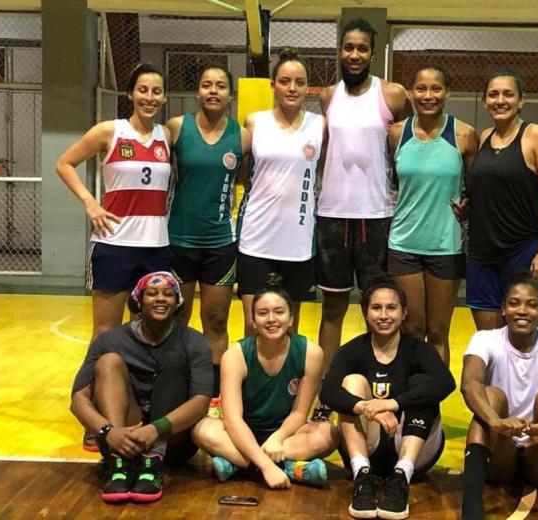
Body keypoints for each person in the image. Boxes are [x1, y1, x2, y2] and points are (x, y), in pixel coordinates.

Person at [316, 18, 413, 377]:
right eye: (348, 48)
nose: (354, 55)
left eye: (362, 48)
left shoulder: (392, 94)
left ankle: (381, 377)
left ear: (373, 53)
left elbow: (408, 144)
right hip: (332, 214)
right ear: (340, 51)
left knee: (379, 307)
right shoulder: (329, 96)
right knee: (332, 308)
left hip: (377, 214)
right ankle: (328, 384)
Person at [70, 271, 213, 504]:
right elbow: (78, 400)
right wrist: (109, 432)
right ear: (138, 300)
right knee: (108, 362)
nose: (160, 298)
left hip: (172, 440)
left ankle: (153, 461)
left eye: (168, 294)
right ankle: (120, 462)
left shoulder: (194, 342)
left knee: (173, 360)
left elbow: (201, 403)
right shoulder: (109, 340)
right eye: (152, 293)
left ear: (178, 302)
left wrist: (155, 431)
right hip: (120, 436)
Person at [56, 63, 173, 343]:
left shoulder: (166, 135)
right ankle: (96, 374)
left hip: (156, 246)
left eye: (156, 91)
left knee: (150, 331)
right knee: (106, 331)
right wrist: (90, 202)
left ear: (164, 97)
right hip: (115, 243)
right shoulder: (109, 131)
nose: (149, 97)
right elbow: (64, 163)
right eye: (142, 90)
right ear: (130, 94)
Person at [320, 279, 455, 519]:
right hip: (370, 443)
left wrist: (394, 403)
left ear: (404, 313)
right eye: (376, 308)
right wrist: (366, 407)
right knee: (351, 383)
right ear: (365, 313)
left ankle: (402, 476)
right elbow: (328, 391)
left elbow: (446, 383)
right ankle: (362, 476)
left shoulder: (419, 349)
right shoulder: (352, 350)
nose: (384, 315)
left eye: (391, 308)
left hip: (412, 446)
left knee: (423, 384)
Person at [191, 276, 338, 489]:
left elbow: (299, 414)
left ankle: (238, 464)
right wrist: (267, 466)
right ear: (253, 320)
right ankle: (288, 468)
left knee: (329, 434)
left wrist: (277, 439)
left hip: (286, 436)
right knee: (202, 429)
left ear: (291, 318)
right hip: (240, 434)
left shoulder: (311, 353)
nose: (271, 319)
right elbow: (232, 420)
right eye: (262, 313)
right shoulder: (235, 355)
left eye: (279, 312)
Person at [460, 270, 538, 520]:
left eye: (531, 305)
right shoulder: (485, 339)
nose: (522, 311)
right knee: (491, 395)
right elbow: (469, 383)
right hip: (501, 447)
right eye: (514, 303)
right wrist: (496, 422)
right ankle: (471, 509)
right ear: (503, 309)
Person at [166, 65, 250, 397]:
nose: (213, 91)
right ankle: (175, 387)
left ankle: (214, 394)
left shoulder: (242, 136)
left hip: (220, 243)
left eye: (220, 86)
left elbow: (244, 178)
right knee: (177, 319)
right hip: (179, 239)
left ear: (231, 95)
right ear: (197, 91)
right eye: (206, 85)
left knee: (215, 321)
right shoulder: (176, 128)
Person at [387, 65, 477, 367]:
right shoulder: (396, 134)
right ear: (411, 92)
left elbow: (474, 188)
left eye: (436, 88)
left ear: (447, 92)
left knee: (437, 331)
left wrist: (468, 206)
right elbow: (393, 181)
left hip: (445, 245)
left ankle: (433, 395)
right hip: (403, 244)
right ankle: (409, 392)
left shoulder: (464, 135)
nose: (428, 95)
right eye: (421, 88)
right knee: (412, 329)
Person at [237, 47, 326, 335]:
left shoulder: (319, 126)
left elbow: (325, 171)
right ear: (273, 85)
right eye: (285, 81)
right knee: (254, 325)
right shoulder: (255, 122)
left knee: (288, 329)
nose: (292, 88)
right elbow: (241, 171)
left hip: (297, 241)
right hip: (256, 237)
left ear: (308, 87)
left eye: (299, 82)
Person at [467, 71, 538, 331]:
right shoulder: (484, 136)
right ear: (484, 101)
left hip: (523, 251)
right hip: (482, 254)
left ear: (521, 100)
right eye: (493, 95)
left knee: (522, 337)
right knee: (489, 339)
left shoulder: (537, 136)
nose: (500, 100)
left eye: (508, 94)